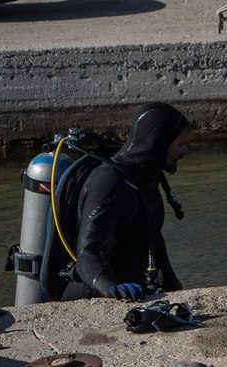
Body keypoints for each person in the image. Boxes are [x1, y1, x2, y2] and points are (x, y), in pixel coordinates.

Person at [74, 103, 191, 301]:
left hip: (136, 289)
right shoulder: (108, 181)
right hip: (95, 294)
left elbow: (153, 234)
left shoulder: (148, 176)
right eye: (180, 145)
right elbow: (86, 253)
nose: (186, 151)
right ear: (158, 143)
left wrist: (173, 284)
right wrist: (111, 289)